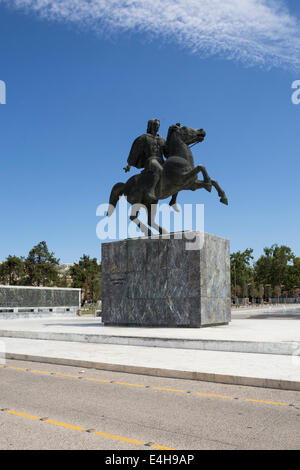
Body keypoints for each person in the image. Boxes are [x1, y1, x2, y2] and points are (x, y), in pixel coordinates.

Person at [124, 118, 168, 200]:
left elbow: (167, 153)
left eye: (158, 125)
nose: (157, 127)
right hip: (151, 161)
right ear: (150, 126)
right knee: (158, 168)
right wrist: (129, 165)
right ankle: (150, 190)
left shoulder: (162, 139)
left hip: (161, 161)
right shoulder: (144, 138)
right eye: (155, 125)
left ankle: (173, 199)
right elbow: (135, 151)